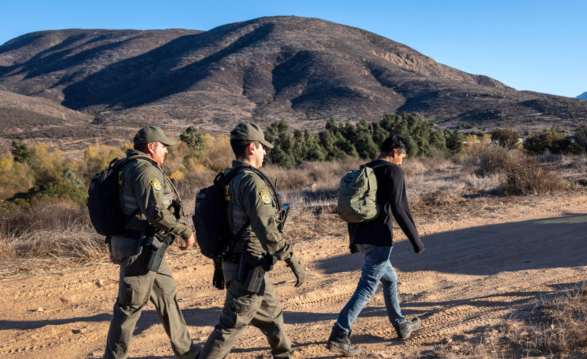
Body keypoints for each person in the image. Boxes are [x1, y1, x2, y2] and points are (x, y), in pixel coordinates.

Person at [200, 122, 306, 359]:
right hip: (245, 267)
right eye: (262, 147)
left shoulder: (228, 178)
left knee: (272, 313)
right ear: (251, 147)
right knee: (231, 325)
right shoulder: (251, 182)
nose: (265, 152)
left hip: (242, 264)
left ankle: (284, 354)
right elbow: (268, 230)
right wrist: (292, 259)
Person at [104, 126, 199, 359]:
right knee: (129, 307)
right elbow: (155, 213)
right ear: (151, 147)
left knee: (166, 294)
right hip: (137, 248)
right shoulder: (145, 171)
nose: (166, 150)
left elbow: (119, 210)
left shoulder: (126, 168)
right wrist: (185, 231)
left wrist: (113, 244)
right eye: (163, 146)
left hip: (146, 247)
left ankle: (188, 352)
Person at [327, 134, 425, 356]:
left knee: (390, 279)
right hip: (379, 238)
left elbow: (354, 206)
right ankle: (339, 334)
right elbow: (400, 208)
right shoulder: (393, 171)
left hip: (362, 237)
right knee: (368, 286)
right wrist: (416, 241)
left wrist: (354, 241)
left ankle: (401, 324)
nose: (402, 163)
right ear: (396, 152)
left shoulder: (366, 169)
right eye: (403, 158)